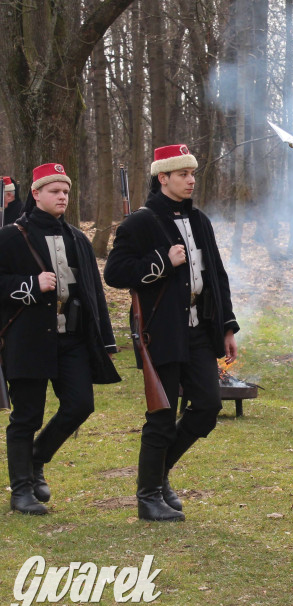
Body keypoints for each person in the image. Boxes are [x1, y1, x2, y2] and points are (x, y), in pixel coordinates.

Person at [104, 144, 239, 522]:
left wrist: (227, 325)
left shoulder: (201, 221)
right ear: (163, 178)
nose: (191, 180)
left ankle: (160, 474)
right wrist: (163, 261)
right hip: (160, 332)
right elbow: (115, 273)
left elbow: (216, 277)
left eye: (192, 173)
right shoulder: (139, 223)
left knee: (208, 408)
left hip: (199, 330)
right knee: (161, 415)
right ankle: (148, 496)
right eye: (182, 174)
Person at [0, 163, 120, 515]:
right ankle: (21, 490)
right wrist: (31, 285)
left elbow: (94, 293)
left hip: (72, 338)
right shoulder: (10, 236)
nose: (62, 197)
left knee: (81, 405)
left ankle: (36, 459)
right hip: (27, 339)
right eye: (54, 191)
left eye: (65, 191)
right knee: (26, 417)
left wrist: (107, 342)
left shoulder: (77, 238)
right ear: (36, 194)